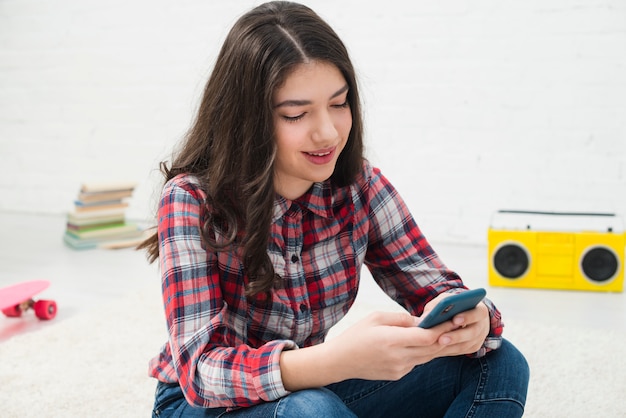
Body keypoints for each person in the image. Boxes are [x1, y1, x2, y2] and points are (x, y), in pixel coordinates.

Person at [140, 1, 530, 417]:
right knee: (312, 410)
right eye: (296, 113)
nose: (326, 131)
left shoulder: (358, 186)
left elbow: (436, 288)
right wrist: (337, 361)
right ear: (247, 118)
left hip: (312, 392)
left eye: (339, 104)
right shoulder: (192, 200)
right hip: (202, 405)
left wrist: (475, 322)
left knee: (500, 363)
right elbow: (200, 374)